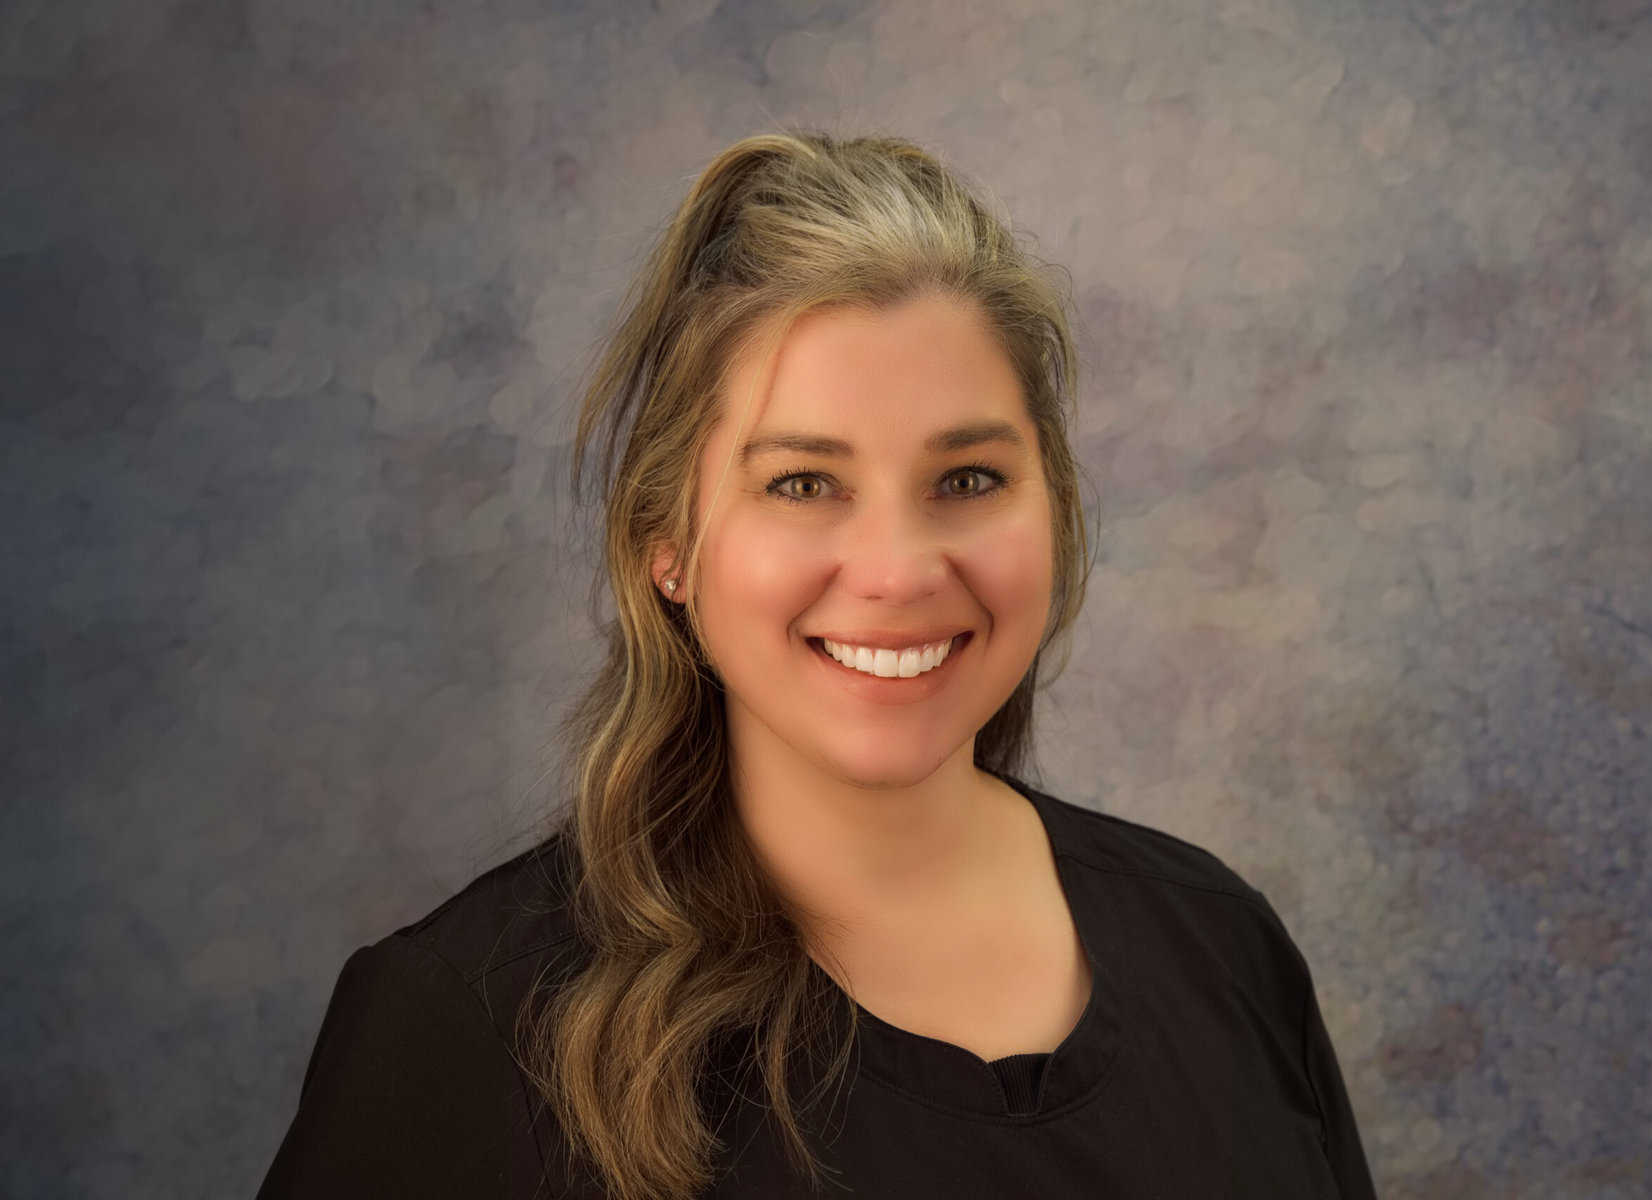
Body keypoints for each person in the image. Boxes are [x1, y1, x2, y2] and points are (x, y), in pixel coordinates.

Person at [256, 129, 1378, 1199]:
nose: (896, 572)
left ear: (1058, 509)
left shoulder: (1221, 942)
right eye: (801, 483)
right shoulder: (466, 1026)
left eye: (970, 478)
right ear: (668, 542)